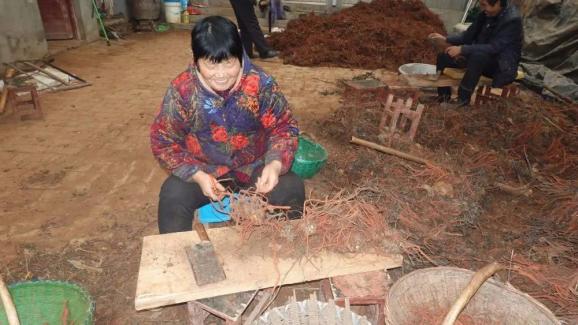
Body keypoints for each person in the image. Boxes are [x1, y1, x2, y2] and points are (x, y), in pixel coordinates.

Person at [150, 16, 304, 234]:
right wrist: (197, 175)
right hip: (205, 169)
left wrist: (275, 164)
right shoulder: (182, 90)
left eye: (229, 63)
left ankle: (285, 250)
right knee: (172, 195)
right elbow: (163, 141)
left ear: (240, 56)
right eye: (211, 64)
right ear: (196, 61)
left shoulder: (261, 83)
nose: (221, 75)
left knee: (290, 188)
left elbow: (284, 128)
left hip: (254, 166)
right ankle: (177, 259)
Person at [428, 0, 523, 106]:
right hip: (479, 58)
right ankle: (443, 97)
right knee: (444, 56)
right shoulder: (485, 14)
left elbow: (494, 47)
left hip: (500, 66)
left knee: (478, 57)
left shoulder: (512, 20)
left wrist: (463, 49)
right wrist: (446, 39)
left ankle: (462, 101)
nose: (481, 8)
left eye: (484, 5)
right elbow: (467, 36)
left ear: (497, 3)